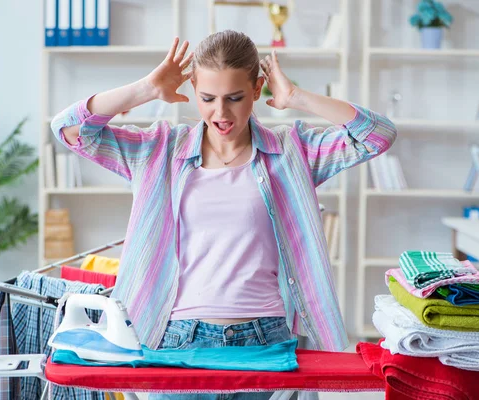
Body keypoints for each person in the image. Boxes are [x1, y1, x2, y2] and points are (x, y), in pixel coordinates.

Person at [52, 30, 397, 399]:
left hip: (264, 339)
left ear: (257, 88)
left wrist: (296, 97)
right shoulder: (158, 151)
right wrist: (147, 89)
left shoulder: (292, 152)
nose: (221, 113)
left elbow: (378, 134)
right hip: (176, 341)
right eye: (208, 98)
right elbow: (70, 129)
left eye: (235, 97)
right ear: (193, 87)